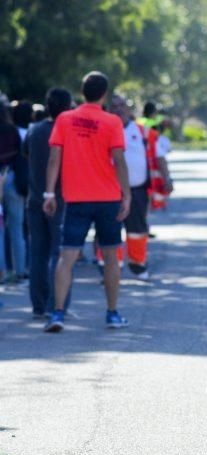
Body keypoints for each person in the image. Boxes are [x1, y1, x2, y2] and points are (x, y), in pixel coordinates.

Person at [43, 71, 131, 332]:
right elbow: (119, 160)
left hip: (76, 198)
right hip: (107, 198)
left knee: (66, 256)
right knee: (111, 257)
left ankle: (57, 313)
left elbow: (54, 159)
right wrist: (126, 195)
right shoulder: (112, 122)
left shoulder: (65, 119)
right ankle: (112, 313)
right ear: (104, 94)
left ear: (82, 92)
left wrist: (49, 193)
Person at [22, 87, 73, 318]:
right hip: (61, 198)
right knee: (59, 253)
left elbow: (25, 155)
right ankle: (58, 304)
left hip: (34, 198)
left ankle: (38, 304)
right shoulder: (68, 131)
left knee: (37, 253)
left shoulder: (34, 130)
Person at [110, 95, 162, 281]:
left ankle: (138, 264)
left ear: (128, 108)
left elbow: (159, 154)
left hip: (137, 190)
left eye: (121, 105)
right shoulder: (103, 129)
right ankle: (110, 268)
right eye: (114, 106)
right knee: (108, 230)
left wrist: (166, 177)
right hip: (110, 191)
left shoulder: (142, 132)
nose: (118, 109)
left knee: (137, 229)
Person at [1, 102, 26, 284]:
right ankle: (20, 271)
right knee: (17, 227)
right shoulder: (12, 130)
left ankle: (1, 271)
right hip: (12, 177)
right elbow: (21, 154)